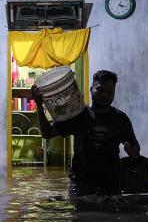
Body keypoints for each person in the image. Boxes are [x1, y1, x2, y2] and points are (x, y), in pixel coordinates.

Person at [33, 69, 140, 197]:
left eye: (109, 91)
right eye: (100, 90)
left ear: (114, 92)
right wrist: (39, 105)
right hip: (81, 186)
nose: (105, 95)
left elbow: (134, 146)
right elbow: (47, 133)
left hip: (111, 186)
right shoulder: (77, 115)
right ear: (91, 89)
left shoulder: (120, 118)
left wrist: (132, 150)